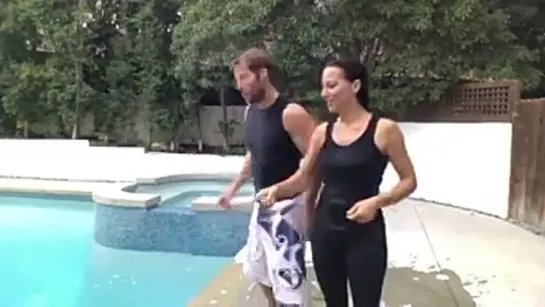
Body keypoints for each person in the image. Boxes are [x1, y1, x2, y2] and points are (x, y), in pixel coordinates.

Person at [257, 59, 417, 307]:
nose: (324, 93)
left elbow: (409, 181)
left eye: (331, 86)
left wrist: (377, 201)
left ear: (355, 86)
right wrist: (277, 190)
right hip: (326, 232)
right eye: (323, 87)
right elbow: (304, 178)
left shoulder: (384, 130)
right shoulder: (323, 132)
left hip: (365, 235)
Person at [218, 47, 316, 307]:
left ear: (262, 74)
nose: (239, 86)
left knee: (289, 282)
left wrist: (303, 199)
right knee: (258, 269)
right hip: (262, 204)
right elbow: (254, 155)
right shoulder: (252, 113)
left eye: (243, 78)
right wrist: (233, 189)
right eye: (237, 79)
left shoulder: (291, 113)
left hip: (287, 212)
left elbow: (317, 161)